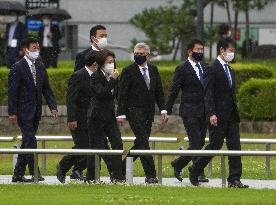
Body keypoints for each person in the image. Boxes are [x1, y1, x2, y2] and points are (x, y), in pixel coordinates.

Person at [188, 37, 249, 188]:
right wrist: (211, 113)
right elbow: (207, 94)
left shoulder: (230, 69)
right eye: (231, 51)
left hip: (231, 115)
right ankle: (195, 169)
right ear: (222, 50)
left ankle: (234, 179)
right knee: (215, 144)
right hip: (218, 115)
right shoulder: (211, 69)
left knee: (235, 146)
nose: (232, 54)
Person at [8, 37, 58, 182]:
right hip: (23, 111)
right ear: (26, 50)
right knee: (31, 140)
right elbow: (12, 92)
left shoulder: (40, 66)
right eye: (34, 48)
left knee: (27, 142)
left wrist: (53, 106)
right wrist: (12, 113)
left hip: (36, 111)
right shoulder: (17, 67)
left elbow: (46, 89)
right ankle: (35, 172)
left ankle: (17, 174)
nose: (37, 50)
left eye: (38, 48)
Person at [117, 42, 168, 184]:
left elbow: (159, 91)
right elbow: (122, 93)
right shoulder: (128, 70)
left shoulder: (153, 69)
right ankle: (151, 175)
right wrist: (120, 113)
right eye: (136, 54)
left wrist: (163, 108)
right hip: (133, 112)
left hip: (148, 113)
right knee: (144, 143)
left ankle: (119, 169)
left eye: (141, 54)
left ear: (148, 55)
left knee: (140, 143)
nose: (138, 56)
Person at [167, 39, 209, 183]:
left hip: (204, 111)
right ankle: (198, 172)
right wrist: (166, 109)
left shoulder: (205, 66)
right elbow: (174, 90)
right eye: (197, 49)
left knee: (200, 141)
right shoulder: (182, 68)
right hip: (189, 111)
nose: (200, 52)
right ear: (189, 51)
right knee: (196, 142)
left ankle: (178, 163)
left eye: (202, 49)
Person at [56, 50, 98, 183]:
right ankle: (63, 166)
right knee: (83, 146)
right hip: (79, 119)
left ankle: (77, 170)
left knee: (89, 146)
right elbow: (71, 99)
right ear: (95, 63)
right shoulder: (78, 76)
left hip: (93, 119)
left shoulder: (98, 76)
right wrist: (72, 118)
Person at [86, 50, 124, 182]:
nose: (112, 64)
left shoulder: (114, 76)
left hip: (110, 116)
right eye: (109, 62)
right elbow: (101, 94)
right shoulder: (95, 77)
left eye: (113, 62)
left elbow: (117, 95)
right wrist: (112, 80)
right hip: (96, 116)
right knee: (96, 146)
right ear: (101, 63)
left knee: (118, 143)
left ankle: (118, 176)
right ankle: (91, 177)